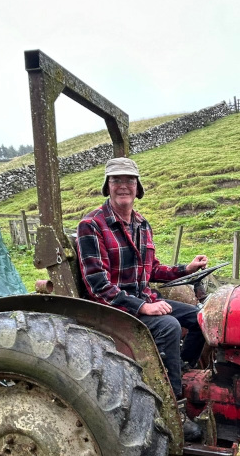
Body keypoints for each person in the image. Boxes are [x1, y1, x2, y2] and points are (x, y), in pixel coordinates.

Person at [76, 157, 208, 440]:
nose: (123, 186)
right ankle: (174, 411)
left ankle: (179, 369)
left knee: (201, 316)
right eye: (116, 180)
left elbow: (152, 269)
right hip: (113, 308)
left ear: (138, 187)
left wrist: (186, 269)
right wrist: (143, 306)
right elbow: (96, 284)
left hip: (143, 298)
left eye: (129, 181)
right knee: (169, 325)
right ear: (107, 186)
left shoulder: (141, 224)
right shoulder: (91, 224)